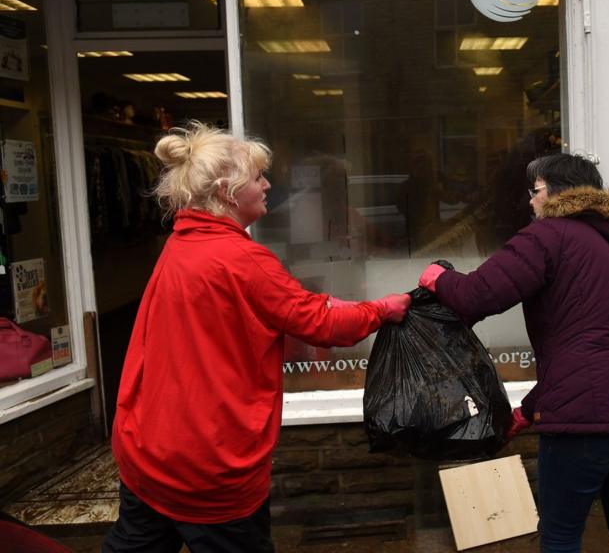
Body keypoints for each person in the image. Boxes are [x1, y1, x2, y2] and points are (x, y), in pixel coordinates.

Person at [102, 122, 410, 553]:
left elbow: (253, 318)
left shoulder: (180, 244)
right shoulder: (241, 259)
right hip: (209, 467)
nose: (267, 184)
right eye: (258, 177)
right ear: (229, 191)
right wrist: (383, 308)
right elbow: (319, 323)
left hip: (149, 452)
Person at [418, 153, 609, 553]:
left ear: (553, 191)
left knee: (561, 535)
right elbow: (591, 345)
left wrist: (438, 278)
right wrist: (531, 406)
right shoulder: (608, 250)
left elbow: (478, 296)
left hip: (584, 422)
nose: (530, 201)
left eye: (534, 191)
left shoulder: (547, 236)